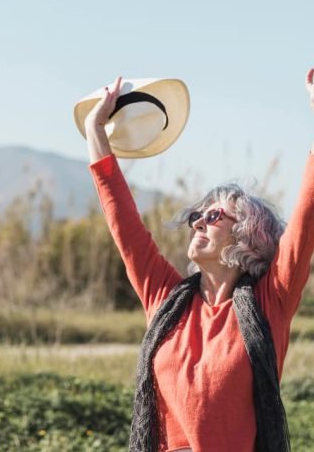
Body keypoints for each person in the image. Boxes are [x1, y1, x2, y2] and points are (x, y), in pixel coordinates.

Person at [83, 70, 314, 452]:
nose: (199, 223)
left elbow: (306, 217)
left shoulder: (270, 302)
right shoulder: (166, 299)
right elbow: (123, 225)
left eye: (215, 216)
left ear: (248, 237)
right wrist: (95, 131)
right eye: (197, 216)